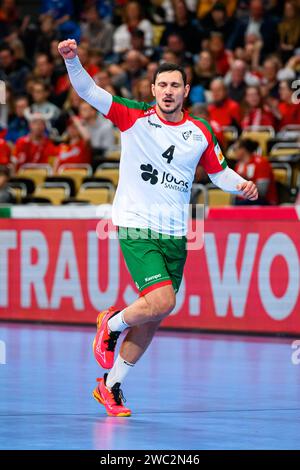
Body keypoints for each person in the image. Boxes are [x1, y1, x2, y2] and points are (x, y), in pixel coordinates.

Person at [58, 38, 258, 417]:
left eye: (175, 86)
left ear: (186, 90)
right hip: (136, 225)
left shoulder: (200, 131)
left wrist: (242, 184)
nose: (168, 92)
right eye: (161, 85)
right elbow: (88, 91)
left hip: (175, 234)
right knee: (163, 301)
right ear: (153, 90)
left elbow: (219, 174)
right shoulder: (132, 116)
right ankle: (111, 323)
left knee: (153, 314)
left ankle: (111, 385)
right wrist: (72, 60)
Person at [234, 139, 278, 205]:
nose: (234, 152)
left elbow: (262, 191)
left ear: (243, 150)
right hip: (243, 200)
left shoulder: (261, 163)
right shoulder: (238, 165)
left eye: (235, 149)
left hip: (264, 202)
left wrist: (246, 180)